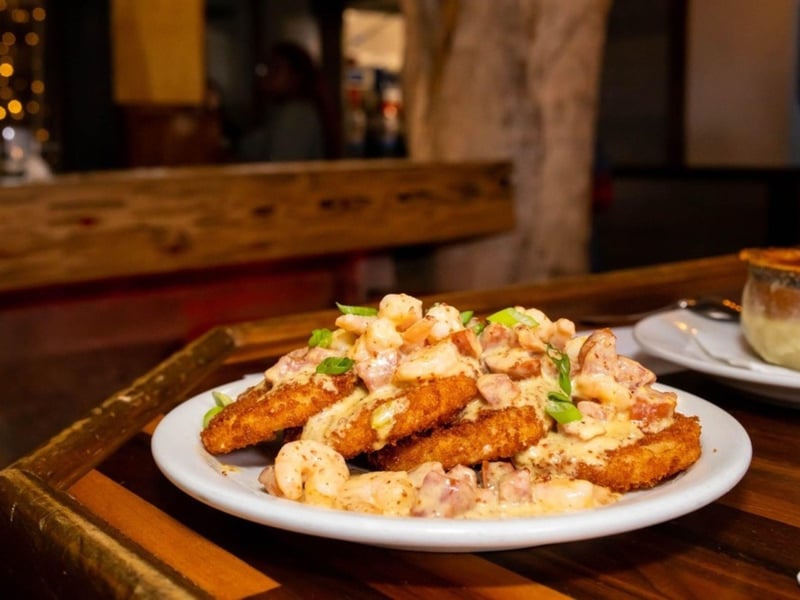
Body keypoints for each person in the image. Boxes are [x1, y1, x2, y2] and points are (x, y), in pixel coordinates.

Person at [237, 41, 337, 162]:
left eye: (276, 68)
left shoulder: (298, 114)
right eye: (266, 67)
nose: (267, 74)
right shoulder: (277, 110)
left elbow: (280, 167)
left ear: (297, 76)